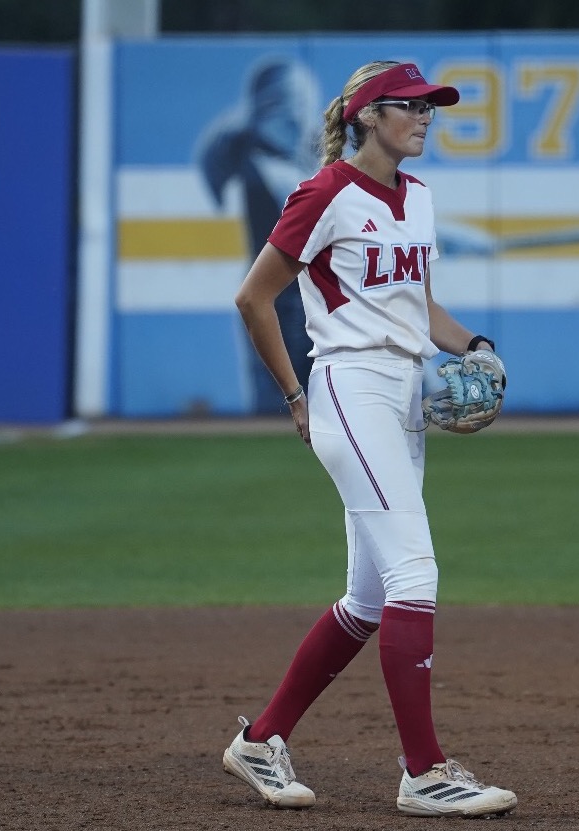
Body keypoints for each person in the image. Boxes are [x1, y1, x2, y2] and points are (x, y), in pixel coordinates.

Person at [222, 60, 519, 819]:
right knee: (415, 572)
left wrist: (476, 345)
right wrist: (294, 394)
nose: (426, 117)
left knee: (368, 596)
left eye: (430, 108)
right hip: (348, 387)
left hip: (403, 393)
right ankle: (423, 771)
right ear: (365, 115)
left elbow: (419, 311)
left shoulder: (415, 197)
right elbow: (254, 297)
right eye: (411, 107)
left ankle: (261, 738)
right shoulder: (323, 193)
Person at [196, 56, 322, 414]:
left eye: (304, 105)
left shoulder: (303, 161)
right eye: (285, 107)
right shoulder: (264, 165)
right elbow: (328, 218)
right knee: (283, 409)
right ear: (263, 111)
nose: (298, 117)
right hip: (282, 304)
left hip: (308, 300)